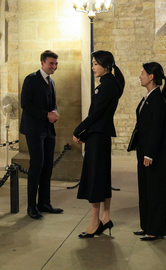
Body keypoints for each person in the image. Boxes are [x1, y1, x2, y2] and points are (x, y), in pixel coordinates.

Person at [72, 50, 125, 238]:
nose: (93, 67)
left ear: (106, 65)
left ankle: (95, 221)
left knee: (95, 177)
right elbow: (99, 116)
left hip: (99, 136)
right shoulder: (107, 84)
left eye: (95, 63)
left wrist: (78, 129)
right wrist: (86, 133)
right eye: (92, 63)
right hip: (98, 134)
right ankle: (105, 218)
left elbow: (96, 114)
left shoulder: (107, 85)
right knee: (101, 176)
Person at [20, 50, 63, 219]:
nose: (54, 66)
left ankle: (44, 203)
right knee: (36, 166)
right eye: (51, 63)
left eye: (56, 63)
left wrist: (55, 112)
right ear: (43, 63)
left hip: (48, 130)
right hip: (34, 130)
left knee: (47, 167)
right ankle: (32, 206)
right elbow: (25, 104)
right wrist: (47, 115)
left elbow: (53, 103)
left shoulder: (51, 81)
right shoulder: (31, 79)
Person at [134, 62, 166, 241]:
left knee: (155, 191)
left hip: (153, 153)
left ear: (151, 77)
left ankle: (154, 229)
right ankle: (146, 225)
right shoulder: (149, 96)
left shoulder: (157, 99)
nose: (140, 76)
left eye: (142, 73)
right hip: (144, 151)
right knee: (145, 189)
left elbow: (156, 129)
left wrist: (149, 153)